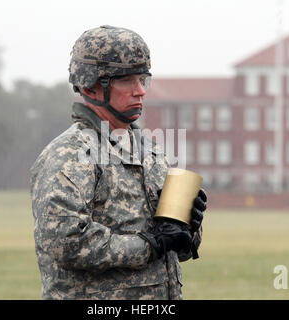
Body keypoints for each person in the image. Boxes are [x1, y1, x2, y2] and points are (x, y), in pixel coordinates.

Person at [30, 25, 207, 300]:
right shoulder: (69, 154)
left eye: (143, 80)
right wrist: (149, 245)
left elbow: (174, 251)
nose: (140, 91)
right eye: (127, 81)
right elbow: (66, 242)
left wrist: (186, 229)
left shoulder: (150, 151)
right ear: (90, 85)